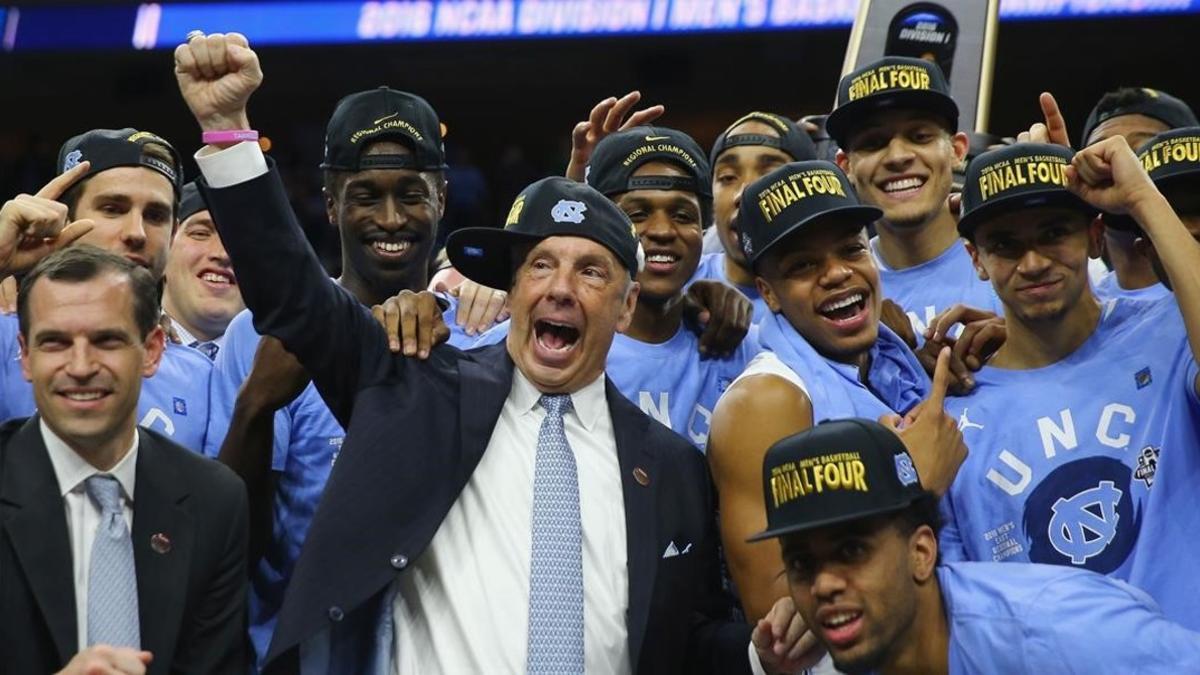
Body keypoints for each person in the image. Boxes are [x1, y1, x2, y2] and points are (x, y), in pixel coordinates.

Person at [177, 32, 808, 674]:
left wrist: (757, 655)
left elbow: (684, 635)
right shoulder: (416, 391)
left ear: (624, 306)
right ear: (510, 291)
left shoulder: (672, 465)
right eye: (540, 266)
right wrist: (228, 131)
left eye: (591, 272)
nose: (561, 287)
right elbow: (294, 295)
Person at [200, 78, 496, 666]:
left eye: (411, 194)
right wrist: (256, 405)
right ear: (331, 205)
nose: (391, 219)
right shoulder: (257, 335)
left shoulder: (487, 336)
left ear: (441, 198)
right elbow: (230, 545)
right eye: (365, 196)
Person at [941, 136, 1200, 630]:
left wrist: (1143, 198)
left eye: (1054, 232)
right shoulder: (952, 426)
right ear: (976, 259)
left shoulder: (1172, 328)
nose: (1034, 262)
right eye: (1005, 246)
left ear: (1095, 236)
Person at [707, 159, 966, 624]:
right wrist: (915, 483)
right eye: (804, 265)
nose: (837, 274)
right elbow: (779, 617)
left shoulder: (899, 366)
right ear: (768, 292)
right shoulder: (767, 401)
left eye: (851, 250)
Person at [751, 418, 1200, 675]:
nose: (824, 584)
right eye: (802, 563)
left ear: (921, 553)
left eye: (852, 552)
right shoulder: (849, 650)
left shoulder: (1058, 632)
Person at [0, 245, 248, 674]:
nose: (80, 366)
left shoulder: (214, 501)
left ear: (151, 350)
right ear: (25, 355)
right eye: (55, 342)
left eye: (106, 341)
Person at [447, 125, 758, 450]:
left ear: (703, 226)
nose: (663, 231)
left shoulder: (738, 347)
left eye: (683, 215)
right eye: (637, 214)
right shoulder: (518, 343)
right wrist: (413, 312)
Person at [0, 129, 214, 452]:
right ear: (63, 219)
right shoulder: (6, 341)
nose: (137, 233)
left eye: (156, 216)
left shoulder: (204, 378)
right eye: (113, 209)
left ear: (172, 235)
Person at [827, 56, 1003, 339]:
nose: (898, 157)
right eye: (873, 143)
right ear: (845, 167)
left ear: (957, 151)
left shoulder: (1016, 260)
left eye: (920, 136)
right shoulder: (832, 292)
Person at [696, 112, 819, 324]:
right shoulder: (676, 288)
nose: (744, 194)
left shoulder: (844, 291)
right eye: (727, 177)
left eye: (770, 175)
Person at [1080, 87, 1198, 301]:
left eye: (1142, 149)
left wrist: (1140, 197)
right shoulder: (1075, 308)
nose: (1119, 162)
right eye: (1101, 152)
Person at [162, 181, 244, 357]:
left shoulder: (298, 369)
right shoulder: (120, 347)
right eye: (201, 234)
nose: (222, 254)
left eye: (240, 239)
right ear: (165, 247)